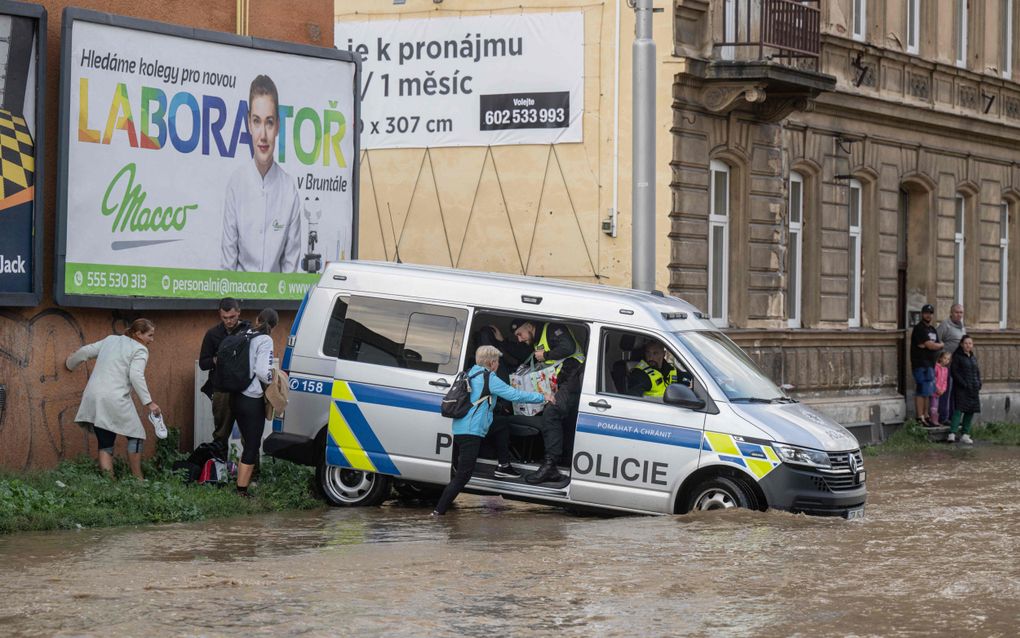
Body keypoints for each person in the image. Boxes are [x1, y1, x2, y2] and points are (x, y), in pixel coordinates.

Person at [433, 346, 553, 515]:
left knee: (501, 424)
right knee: (462, 477)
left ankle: (503, 465)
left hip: (460, 428)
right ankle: (438, 512)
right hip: (471, 432)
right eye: (497, 361)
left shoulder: (470, 373)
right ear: (492, 362)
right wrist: (543, 397)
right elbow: (514, 395)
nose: (498, 364)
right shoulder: (489, 377)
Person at [221, 74, 302, 272]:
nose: (263, 135)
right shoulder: (236, 184)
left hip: (275, 303)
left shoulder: (289, 189)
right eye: (257, 122)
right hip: (239, 301)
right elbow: (227, 265)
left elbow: (289, 270)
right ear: (249, 124)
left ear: (278, 127)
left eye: (269, 122)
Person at [65, 319, 161, 480]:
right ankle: (138, 480)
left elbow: (85, 352)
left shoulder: (111, 340)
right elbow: (136, 375)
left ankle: (109, 484)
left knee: (105, 443)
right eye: (150, 335)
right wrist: (149, 402)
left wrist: (70, 363)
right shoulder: (140, 350)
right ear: (138, 334)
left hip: (93, 396)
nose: (152, 340)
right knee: (136, 435)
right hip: (115, 397)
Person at [513, 319, 585, 484]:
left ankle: (550, 466)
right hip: (562, 380)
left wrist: (545, 355)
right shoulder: (537, 338)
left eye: (520, 334)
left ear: (529, 326)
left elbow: (569, 347)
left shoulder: (553, 328)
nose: (520, 338)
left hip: (575, 376)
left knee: (552, 412)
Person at [231, 308, 279, 497]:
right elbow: (262, 371)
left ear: (257, 319)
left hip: (235, 395)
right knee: (252, 444)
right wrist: (273, 377)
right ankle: (241, 490)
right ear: (274, 327)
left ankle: (240, 485)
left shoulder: (244, 333)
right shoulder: (265, 339)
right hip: (252, 398)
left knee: (247, 442)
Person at [198, 298, 251, 449]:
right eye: (225, 318)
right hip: (222, 390)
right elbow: (203, 363)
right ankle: (218, 471)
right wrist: (218, 359)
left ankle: (253, 472)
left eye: (232, 317)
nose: (229, 321)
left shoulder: (247, 331)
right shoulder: (212, 334)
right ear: (220, 315)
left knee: (249, 435)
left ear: (239, 313)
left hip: (245, 389)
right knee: (220, 435)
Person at [910, 304, 943, 426]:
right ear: (922, 314)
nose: (928, 315)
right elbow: (931, 345)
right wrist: (934, 345)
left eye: (930, 313)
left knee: (929, 391)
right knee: (921, 390)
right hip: (920, 364)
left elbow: (935, 345)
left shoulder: (933, 330)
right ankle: (920, 417)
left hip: (930, 363)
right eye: (926, 313)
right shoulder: (919, 328)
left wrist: (935, 345)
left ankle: (926, 415)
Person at [626, 340, 691, 398]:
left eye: (655, 353)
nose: (650, 357)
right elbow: (633, 399)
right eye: (648, 353)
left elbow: (689, 379)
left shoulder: (670, 370)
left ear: (664, 354)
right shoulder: (641, 374)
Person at [947, 335, 980, 445]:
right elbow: (954, 372)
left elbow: (977, 372)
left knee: (970, 410)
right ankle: (952, 433)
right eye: (966, 343)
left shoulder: (973, 357)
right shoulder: (957, 356)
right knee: (959, 409)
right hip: (962, 388)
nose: (968, 345)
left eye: (970, 343)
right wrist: (963, 383)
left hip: (973, 388)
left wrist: (979, 383)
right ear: (961, 344)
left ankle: (965, 434)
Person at [936, 304, 965, 424]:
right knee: (944, 392)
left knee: (955, 392)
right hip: (945, 366)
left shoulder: (962, 327)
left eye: (961, 312)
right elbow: (936, 341)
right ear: (951, 313)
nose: (959, 315)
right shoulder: (945, 325)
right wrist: (941, 360)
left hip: (957, 366)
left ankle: (953, 417)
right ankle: (943, 417)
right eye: (957, 312)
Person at [931, 351, 951, 427]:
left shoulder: (946, 369)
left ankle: (937, 420)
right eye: (944, 358)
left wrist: (943, 389)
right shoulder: (936, 367)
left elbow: (945, 381)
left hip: (940, 392)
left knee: (937, 406)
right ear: (940, 358)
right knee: (933, 406)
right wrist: (936, 389)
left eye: (948, 359)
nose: (946, 360)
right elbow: (933, 379)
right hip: (934, 391)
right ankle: (933, 421)